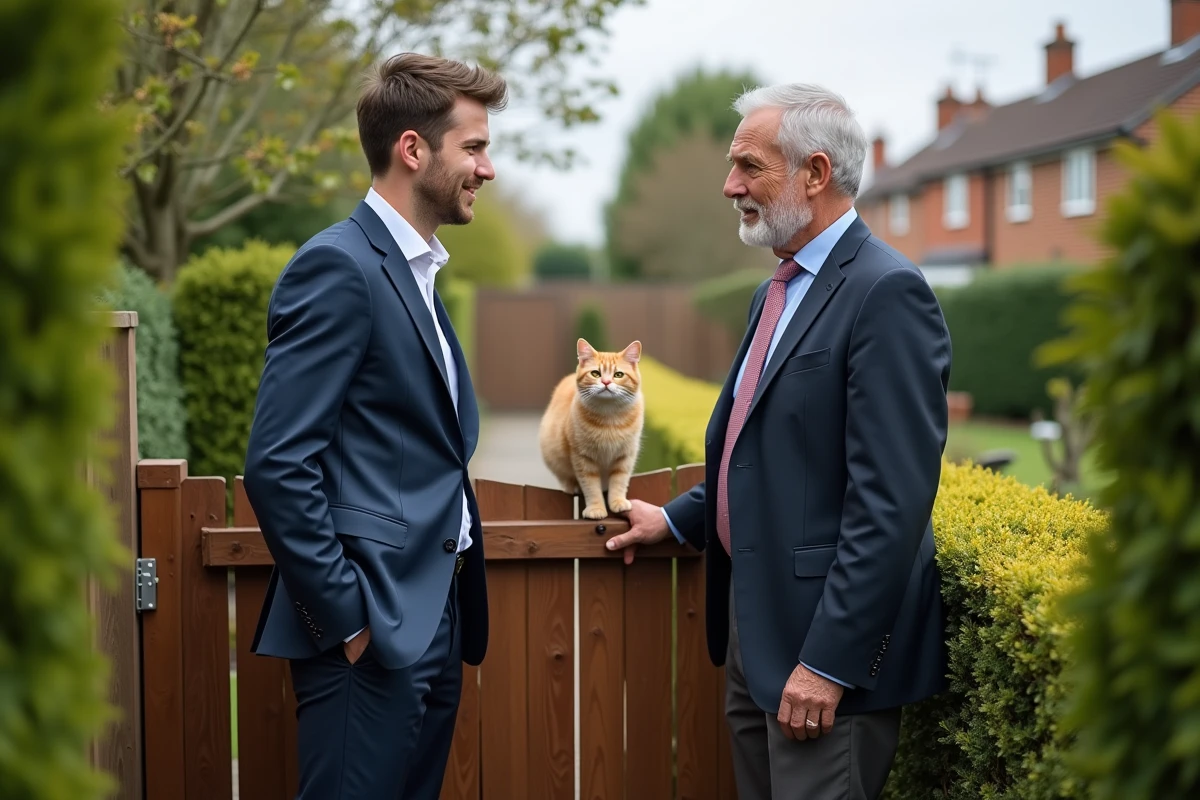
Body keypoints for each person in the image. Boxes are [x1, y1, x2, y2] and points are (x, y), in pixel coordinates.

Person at [605, 83, 952, 799]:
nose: (730, 185)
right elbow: (765, 450)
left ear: (816, 173)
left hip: (820, 661)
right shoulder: (775, 291)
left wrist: (829, 662)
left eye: (749, 167)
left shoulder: (888, 292)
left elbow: (893, 501)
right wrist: (677, 519)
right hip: (754, 640)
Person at [241, 53, 507, 799]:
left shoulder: (415, 271)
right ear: (413, 149)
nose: (488, 169)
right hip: (372, 630)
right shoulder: (339, 268)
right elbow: (277, 464)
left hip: (432, 619)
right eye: (475, 147)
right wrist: (349, 620)